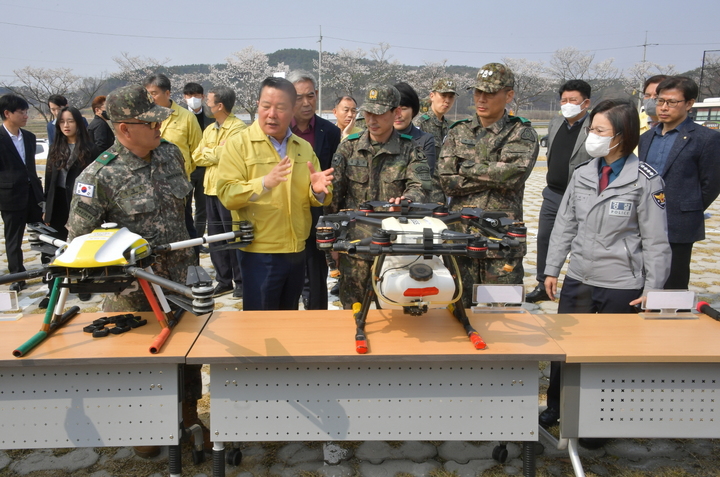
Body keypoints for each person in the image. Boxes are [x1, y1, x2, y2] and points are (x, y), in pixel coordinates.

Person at [65, 84, 207, 458]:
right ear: (124, 129)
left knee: (188, 358)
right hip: (135, 292)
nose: (159, 126)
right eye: (150, 122)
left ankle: (189, 418)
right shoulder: (99, 176)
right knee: (142, 365)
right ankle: (145, 426)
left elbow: (185, 214)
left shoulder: (171, 155)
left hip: (179, 281)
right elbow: (79, 241)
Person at [541, 99, 671, 431]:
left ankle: (604, 420)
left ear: (622, 136)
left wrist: (654, 289)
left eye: (600, 130)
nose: (592, 136)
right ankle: (556, 406)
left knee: (610, 356)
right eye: (591, 129)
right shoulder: (583, 173)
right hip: (580, 276)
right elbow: (565, 225)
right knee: (565, 349)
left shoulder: (645, 179)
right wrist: (552, 269)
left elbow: (656, 241)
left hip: (620, 283)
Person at [216, 77, 333, 311]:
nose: (272, 114)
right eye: (266, 106)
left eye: (280, 108)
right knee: (260, 325)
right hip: (259, 251)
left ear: (292, 110)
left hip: (296, 249)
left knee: (288, 318)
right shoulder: (239, 144)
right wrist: (264, 183)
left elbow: (312, 195)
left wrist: (317, 192)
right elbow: (227, 194)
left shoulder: (303, 147)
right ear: (257, 104)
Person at [438, 63, 538, 308]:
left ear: (509, 95)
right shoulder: (458, 131)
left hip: (502, 241)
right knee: (457, 310)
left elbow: (514, 175)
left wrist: (466, 168)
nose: (481, 99)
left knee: (505, 315)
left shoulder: (521, 133)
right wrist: (494, 174)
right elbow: (447, 180)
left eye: (490, 93)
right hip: (461, 237)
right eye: (477, 92)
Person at [327, 84, 432, 308]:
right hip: (355, 249)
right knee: (353, 313)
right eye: (368, 113)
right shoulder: (349, 148)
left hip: (396, 250)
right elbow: (333, 200)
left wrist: (408, 200)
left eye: (379, 113)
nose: (372, 119)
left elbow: (421, 186)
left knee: (397, 313)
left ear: (395, 113)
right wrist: (332, 248)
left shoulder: (410, 149)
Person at [638, 76, 720, 290]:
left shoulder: (705, 139)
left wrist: (689, 207)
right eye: (660, 101)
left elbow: (711, 183)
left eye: (672, 102)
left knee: (672, 282)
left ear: (689, 103)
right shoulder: (647, 138)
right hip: (644, 220)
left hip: (678, 222)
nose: (664, 107)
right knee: (642, 276)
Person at [526, 80, 593, 303]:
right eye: (563, 100)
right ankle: (543, 284)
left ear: (586, 103)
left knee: (580, 242)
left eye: (572, 100)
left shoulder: (593, 126)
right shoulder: (556, 123)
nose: (567, 104)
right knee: (545, 237)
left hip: (583, 195)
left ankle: (581, 287)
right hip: (553, 193)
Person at [288, 70, 342, 311]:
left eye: (311, 95)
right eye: (299, 97)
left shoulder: (329, 132)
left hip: (318, 212)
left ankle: (317, 319)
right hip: (286, 213)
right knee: (288, 275)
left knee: (316, 272)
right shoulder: (280, 130)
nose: (306, 102)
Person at [41, 106, 100, 307]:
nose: (66, 126)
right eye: (62, 122)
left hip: (81, 204)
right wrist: (45, 208)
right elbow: (49, 181)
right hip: (58, 203)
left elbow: (96, 182)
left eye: (70, 121)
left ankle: (84, 285)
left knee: (82, 244)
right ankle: (54, 290)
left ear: (79, 123)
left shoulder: (90, 149)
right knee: (55, 247)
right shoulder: (55, 148)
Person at [192, 86, 247, 298]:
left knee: (233, 237)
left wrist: (212, 152)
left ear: (220, 105)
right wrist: (214, 152)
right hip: (210, 189)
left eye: (210, 102)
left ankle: (240, 281)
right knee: (215, 239)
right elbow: (197, 156)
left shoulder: (237, 128)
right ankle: (223, 280)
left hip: (228, 190)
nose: (207, 104)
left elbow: (228, 155)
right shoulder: (209, 129)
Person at [144, 74, 203, 259]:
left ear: (167, 93)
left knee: (185, 226)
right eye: (148, 93)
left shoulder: (186, 117)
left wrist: (184, 176)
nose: (150, 97)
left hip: (180, 186)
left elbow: (196, 150)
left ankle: (193, 266)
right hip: (151, 185)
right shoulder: (145, 119)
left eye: (154, 93)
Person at [0, 94, 44, 292]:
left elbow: (31, 167)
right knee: (13, 238)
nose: (26, 115)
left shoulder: (29, 137)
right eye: (22, 112)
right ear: (7, 113)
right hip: (10, 196)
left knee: (42, 235)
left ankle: (47, 270)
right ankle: (17, 275)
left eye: (27, 111)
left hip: (33, 194)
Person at [183, 82, 210, 241]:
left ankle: (198, 240)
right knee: (185, 207)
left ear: (203, 97)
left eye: (196, 96)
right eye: (189, 96)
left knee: (202, 207)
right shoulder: (180, 117)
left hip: (205, 168)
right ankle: (187, 240)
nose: (193, 99)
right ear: (184, 97)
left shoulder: (211, 118)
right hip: (187, 168)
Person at [414, 78, 458, 161]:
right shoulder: (420, 123)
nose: (447, 101)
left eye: (451, 97)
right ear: (432, 96)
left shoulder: (450, 127)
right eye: (443, 95)